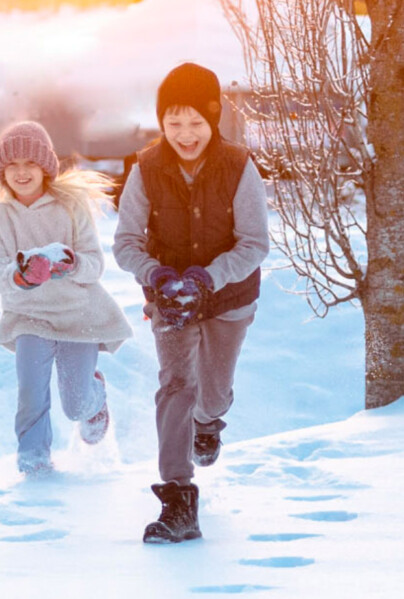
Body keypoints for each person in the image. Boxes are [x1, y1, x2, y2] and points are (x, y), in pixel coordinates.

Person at [113, 63, 270, 542]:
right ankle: (178, 499)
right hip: (170, 300)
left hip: (229, 296)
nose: (184, 134)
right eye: (173, 123)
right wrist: (157, 276)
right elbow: (126, 243)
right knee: (176, 384)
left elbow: (254, 243)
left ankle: (210, 421)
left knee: (212, 391)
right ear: (161, 122)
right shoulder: (144, 168)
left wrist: (207, 278)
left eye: (195, 123)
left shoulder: (240, 167)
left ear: (214, 118)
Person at [0, 121, 132, 476]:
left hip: (78, 315)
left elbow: (94, 265)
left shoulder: (70, 208)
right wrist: (19, 276)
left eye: (29, 164)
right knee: (31, 394)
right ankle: (33, 462)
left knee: (76, 406)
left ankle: (95, 397)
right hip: (27, 317)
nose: (21, 173)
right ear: (2, 172)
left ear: (45, 168)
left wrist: (72, 263)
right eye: (12, 166)